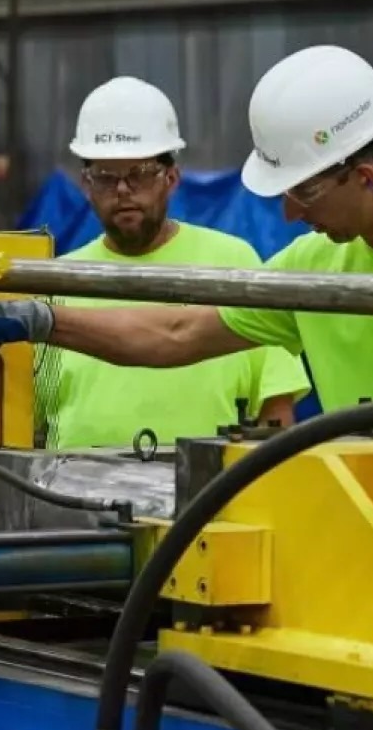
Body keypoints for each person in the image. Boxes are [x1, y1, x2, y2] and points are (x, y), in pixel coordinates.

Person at [0, 46, 373, 413]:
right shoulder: (312, 270)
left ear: (364, 176)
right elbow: (179, 334)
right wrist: (41, 318)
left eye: (302, 191)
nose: (288, 213)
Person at [32, 76, 310, 450]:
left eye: (140, 174)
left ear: (172, 178)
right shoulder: (59, 282)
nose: (123, 191)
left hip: (205, 493)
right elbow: (28, 422)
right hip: (73, 494)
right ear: (85, 184)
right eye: (105, 177)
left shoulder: (232, 264)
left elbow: (275, 409)